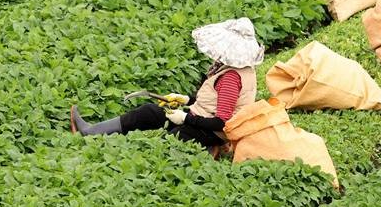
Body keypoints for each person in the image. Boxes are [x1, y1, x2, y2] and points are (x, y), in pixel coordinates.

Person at [70, 17, 262, 151]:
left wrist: (185, 119)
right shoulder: (238, 68)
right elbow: (217, 100)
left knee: (169, 142)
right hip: (202, 118)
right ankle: (90, 132)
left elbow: (222, 122)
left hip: (212, 131)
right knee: (148, 112)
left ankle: (211, 147)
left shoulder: (231, 77)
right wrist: (186, 100)